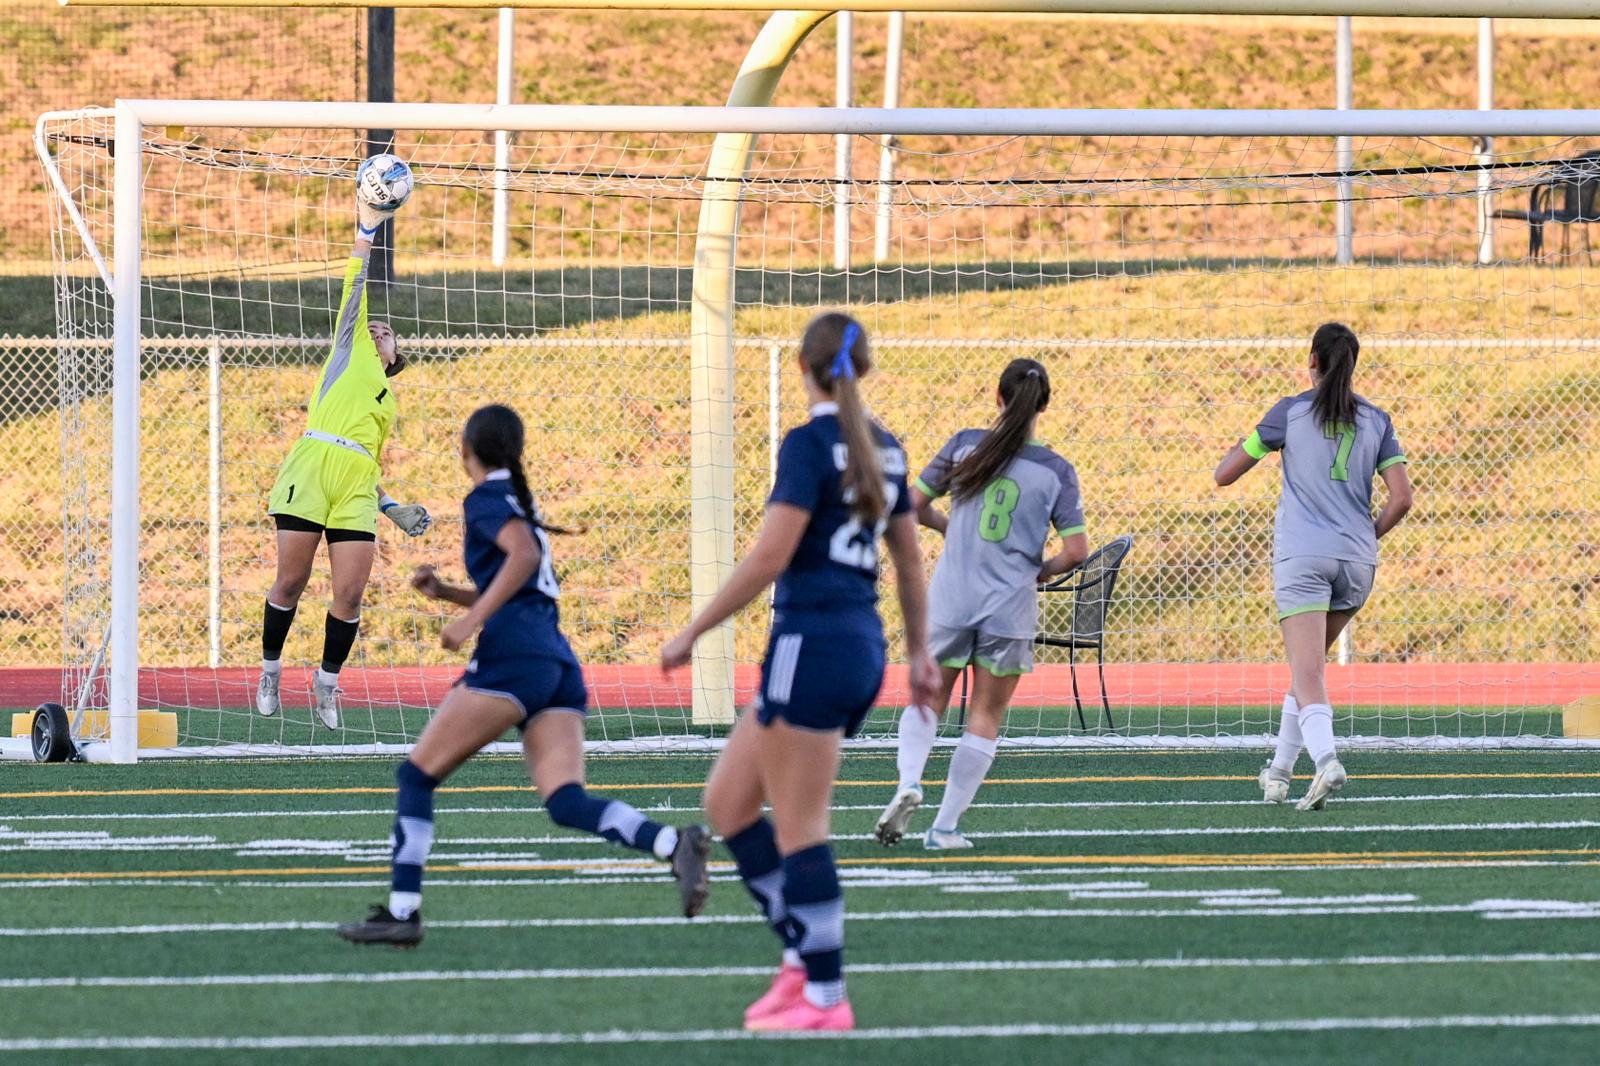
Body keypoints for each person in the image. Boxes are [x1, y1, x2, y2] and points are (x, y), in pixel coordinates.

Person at [338, 404, 711, 947]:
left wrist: (468, 620)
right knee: (565, 801)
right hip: (556, 663)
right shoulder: (519, 499)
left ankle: (402, 911)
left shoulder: (486, 499)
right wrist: (449, 594)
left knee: (416, 777)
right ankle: (670, 844)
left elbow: (522, 557)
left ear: (466, 450)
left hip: (512, 661)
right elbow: (524, 580)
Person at [661, 312, 938, 1032]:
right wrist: (919, 655)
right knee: (727, 804)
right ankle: (801, 961)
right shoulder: (887, 448)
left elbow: (769, 557)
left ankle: (824, 994)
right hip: (854, 644)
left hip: (812, 642)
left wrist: (694, 629)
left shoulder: (811, 444)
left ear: (802, 369)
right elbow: (908, 561)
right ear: (863, 369)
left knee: (801, 828)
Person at [875, 358, 1088, 850]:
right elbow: (1076, 550)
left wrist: (950, 528)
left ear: (997, 397)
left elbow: (912, 504)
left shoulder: (965, 444)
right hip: (1009, 605)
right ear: (1044, 406)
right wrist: (1044, 569)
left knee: (928, 699)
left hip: (952, 596)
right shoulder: (1056, 470)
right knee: (986, 716)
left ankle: (909, 781)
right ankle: (944, 828)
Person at [1214, 322, 1412, 811]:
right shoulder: (1378, 419)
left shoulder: (1291, 411)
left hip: (1303, 555)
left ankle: (1327, 761)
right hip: (1357, 561)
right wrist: (1368, 534)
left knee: (1307, 672)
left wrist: (1260, 444)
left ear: (1313, 363)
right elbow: (1402, 498)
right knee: (1309, 672)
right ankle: (1279, 773)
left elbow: (1223, 474)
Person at [256, 190, 432, 729]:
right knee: (290, 581)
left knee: (350, 592)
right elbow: (354, 284)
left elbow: (369, 464)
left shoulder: (388, 400)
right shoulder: (348, 348)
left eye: (388, 333)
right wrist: (368, 226)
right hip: (311, 467)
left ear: (396, 355)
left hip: (356, 483)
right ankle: (269, 671)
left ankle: (327, 684)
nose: (378, 330)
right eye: (375, 326)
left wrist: (393, 505)